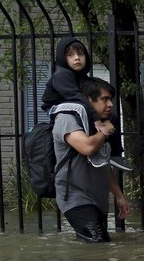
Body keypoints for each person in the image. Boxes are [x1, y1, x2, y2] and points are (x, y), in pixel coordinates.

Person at [50, 77, 130, 242]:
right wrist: (105, 131)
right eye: (105, 99)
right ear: (88, 99)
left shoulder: (101, 124)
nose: (110, 105)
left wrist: (119, 196)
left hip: (97, 199)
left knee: (96, 245)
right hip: (74, 197)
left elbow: (104, 163)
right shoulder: (67, 119)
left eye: (111, 99)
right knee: (97, 242)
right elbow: (87, 148)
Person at [41, 36, 130, 171]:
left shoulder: (81, 76)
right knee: (81, 108)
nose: (77, 58)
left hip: (73, 102)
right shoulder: (61, 75)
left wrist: (103, 118)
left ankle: (115, 155)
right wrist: (97, 120)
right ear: (62, 58)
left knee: (112, 117)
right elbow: (77, 97)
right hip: (55, 106)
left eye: (80, 54)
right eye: (70, 55)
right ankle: (94, 155)